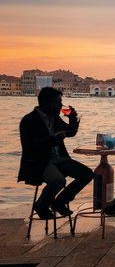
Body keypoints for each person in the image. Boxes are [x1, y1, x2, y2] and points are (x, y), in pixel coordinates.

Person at [18, 87, 94, 219]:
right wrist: (51, 141)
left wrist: (72, 118)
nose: (60, 106)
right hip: (39, 161)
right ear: (45, 102)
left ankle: (59, 202)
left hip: (59, 159)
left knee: (87, 174)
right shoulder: (29, 120)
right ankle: (41, 205)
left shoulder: (54, 118)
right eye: (57, 103)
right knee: (59, 181)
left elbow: (71, 132)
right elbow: (30, 146)